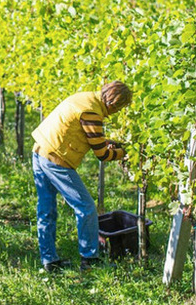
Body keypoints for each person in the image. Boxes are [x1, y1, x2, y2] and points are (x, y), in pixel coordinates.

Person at [31, 81, 132, 272]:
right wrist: (124, 153)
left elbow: (93, 138)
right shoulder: (92, 113)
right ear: (114, 103)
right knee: (86, 207)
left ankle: (49, 260)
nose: (116, 112)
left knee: (46, 209)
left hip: (40, 150)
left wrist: (111, 143)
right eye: (118, 108)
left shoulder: (87, 98)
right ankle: (89, 259)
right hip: (56, 159)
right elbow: (102, 154)